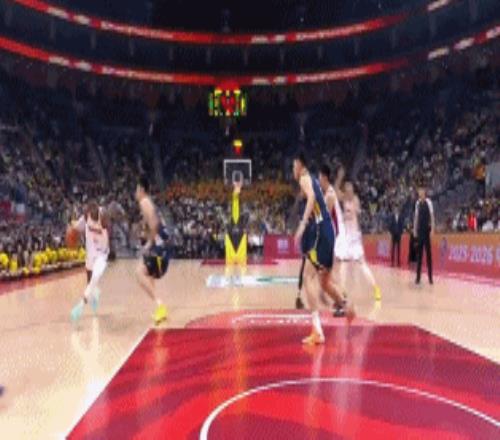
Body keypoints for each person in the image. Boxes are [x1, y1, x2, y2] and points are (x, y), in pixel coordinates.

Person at [293, 152, 353, 345]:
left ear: (300, 165)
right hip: (328, 232)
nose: (293, 170)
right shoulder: (312, 181)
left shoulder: (304, 178)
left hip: (322, 232)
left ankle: (317, 331)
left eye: (294, 165)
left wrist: (302, 224)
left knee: (308, 277)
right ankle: (347, 306)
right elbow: (314, 201)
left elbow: (311, 197)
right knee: (325, 282)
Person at [336, 177, 382, 302]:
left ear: (353, 190)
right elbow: (335, 191)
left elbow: (353, 213)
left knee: (362, 264)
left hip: (355, 237)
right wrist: (339, 178)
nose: (349, 190)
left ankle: (376, 288)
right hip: (346, 238)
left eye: (350, 188)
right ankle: (343, 292)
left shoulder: (355, 199)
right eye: (347, 188)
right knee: (343, 264)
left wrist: (346, 215)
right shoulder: (344, 199)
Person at [135, 176, 169, 325]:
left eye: (136, 189)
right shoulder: (148, 203)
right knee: (149, 275)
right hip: (163, 246)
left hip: (159, 246)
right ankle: (159, 310)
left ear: (141, 189)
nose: (135, 193)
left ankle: (160, 305)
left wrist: (149, 243)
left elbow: (154, 224)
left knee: (139, 273)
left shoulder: (144, 202)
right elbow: (153, 224)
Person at [70, 201, 109, 322]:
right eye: (90, 212)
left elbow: (107, 225)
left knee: (94, 278)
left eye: (94, 212)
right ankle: (94, 293)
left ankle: (81, 305)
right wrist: (72, 228)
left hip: (102, 254)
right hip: (91, 253)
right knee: (90, 282)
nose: (92, 214)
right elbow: (76, 227)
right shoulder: (86, 217)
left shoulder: (103, 216)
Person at [319, 164, 347, 317]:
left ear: (324, 177)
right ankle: (340, 298)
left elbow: (323, 220)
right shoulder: (328, 194)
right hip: (333, 237)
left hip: (335, 238)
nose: (318, 180)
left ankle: (342, 301)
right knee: (327, 275)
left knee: (326, 277)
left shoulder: (329, 195)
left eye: (319, 177)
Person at [413, 185, 435, 285]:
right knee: (419, 255)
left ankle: (430, 277)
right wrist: (414, 229)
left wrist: (432, 229)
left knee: (428, 255)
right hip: (420, 231)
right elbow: (416, 217)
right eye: (419, 191)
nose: (420, 192)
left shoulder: (429, 202)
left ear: (424, 192)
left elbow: (432, 216)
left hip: (427, 231)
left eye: (421, 191)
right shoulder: (417, 203)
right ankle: (418, 278)